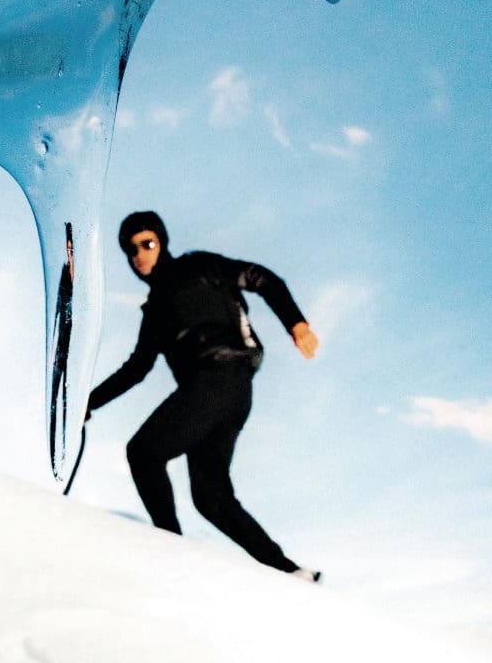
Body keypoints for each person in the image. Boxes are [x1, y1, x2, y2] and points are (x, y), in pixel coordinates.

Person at [87, 211, 321, 581]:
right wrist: (89, 403)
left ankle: (170, 550)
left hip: (221, 379)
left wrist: (296, 322)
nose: (140, 254)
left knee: (144, 453)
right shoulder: (155, 310)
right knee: (211, 497)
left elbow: (261, 278)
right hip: (225, 394)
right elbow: (137, 368)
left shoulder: (198, 266)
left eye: (147, 243)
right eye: (131, 250)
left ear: (162, 242)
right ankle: (291, 572)